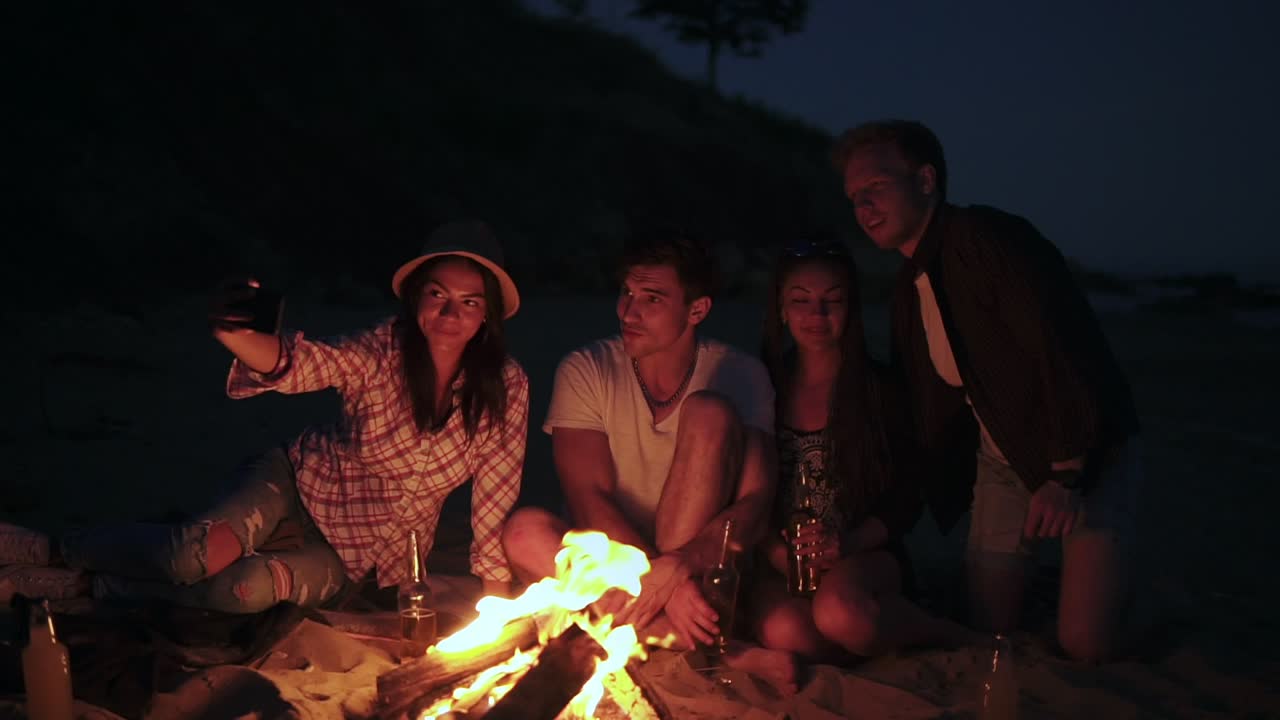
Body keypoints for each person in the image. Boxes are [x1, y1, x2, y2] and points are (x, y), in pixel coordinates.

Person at [0, 221, 529, 613]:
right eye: (438, 295)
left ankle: (82, 587)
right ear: (417, 299)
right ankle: (51, 548)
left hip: (362, 556)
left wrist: (500, 603)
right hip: (295, 486)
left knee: (242, 590)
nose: (450, 313)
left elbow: (495, 498)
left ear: (487, 317)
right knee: (195, 557)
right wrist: (237, 334)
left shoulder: (505, 387)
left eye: (469, 302)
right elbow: (303, 364)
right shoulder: (379, 352)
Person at [835, 120, 1142, 662]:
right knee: (986, 623)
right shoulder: (910, 287)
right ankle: (1062, 582)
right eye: (855, 198)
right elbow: (922, 399)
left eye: (876, 189)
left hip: (1084, 451)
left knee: (1085, 644)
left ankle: (1104, 587)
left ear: (926, 179)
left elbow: (1059, 342)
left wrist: (1067, 472)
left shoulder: (984, 238)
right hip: (1003, 460)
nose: (864, 208)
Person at [501, 230, 797, 693]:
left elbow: (755, 505)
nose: (628, 311)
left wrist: (681, 568)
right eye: (626, 293)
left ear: (696, 310)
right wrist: (662, 582)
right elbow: (586, 497)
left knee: (709, 411)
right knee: (524, 531)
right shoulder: (586, 368)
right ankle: (720, 648)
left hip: (701, 576)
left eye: (651, 298)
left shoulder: (741, 373)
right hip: (623, 573)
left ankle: (663, 629)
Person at [748, 236, 980, 660]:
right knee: (787, 632)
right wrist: (774, 550)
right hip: (782, 558)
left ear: (850, 308)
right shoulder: (761, 386)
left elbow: (908, 496)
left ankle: (931, 629)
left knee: (839, 614)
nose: (816, 314)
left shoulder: (880, 389)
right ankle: (870, 633)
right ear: (781, 309)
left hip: (864, 554)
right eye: (801, 301)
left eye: (832, 301)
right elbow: (743, 488)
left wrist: (848, 544)